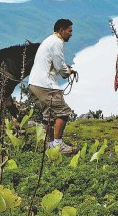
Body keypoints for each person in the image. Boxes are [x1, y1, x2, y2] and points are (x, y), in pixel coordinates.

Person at [28, 18, 79, 155]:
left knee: (49, 115)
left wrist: (63, 68)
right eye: (70, 30)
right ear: (61, 30)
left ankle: (49, 145)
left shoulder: (49, 40)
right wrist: (67, 72)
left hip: (34, 83)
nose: (71, 34)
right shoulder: (57, 42)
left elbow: (52, 63)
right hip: (45, 84)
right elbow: (59, 64)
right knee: (64, 112)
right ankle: (58, 145)